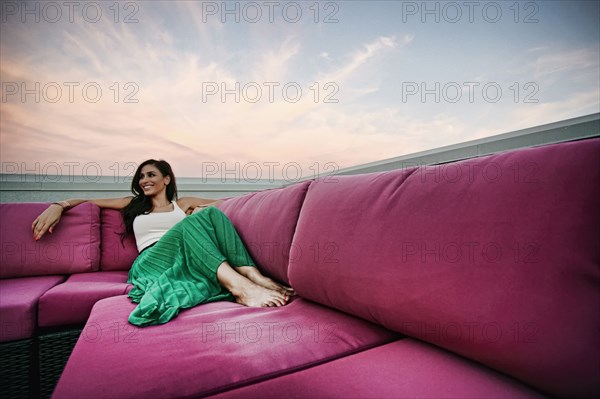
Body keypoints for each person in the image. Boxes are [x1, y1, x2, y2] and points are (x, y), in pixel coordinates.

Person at [32, 159, 294, 327]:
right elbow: (88, 201)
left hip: (185, 256)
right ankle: (240, 287)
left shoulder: (182, 205)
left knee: (210, 214)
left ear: (166, 178)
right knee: (191, 223)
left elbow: (226, 205)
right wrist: (59, 205)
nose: (143, 180)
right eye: (141, 177)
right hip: (150, 262)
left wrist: (202, 208)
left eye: (150, 174)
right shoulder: (132, 204)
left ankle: (254, 275)